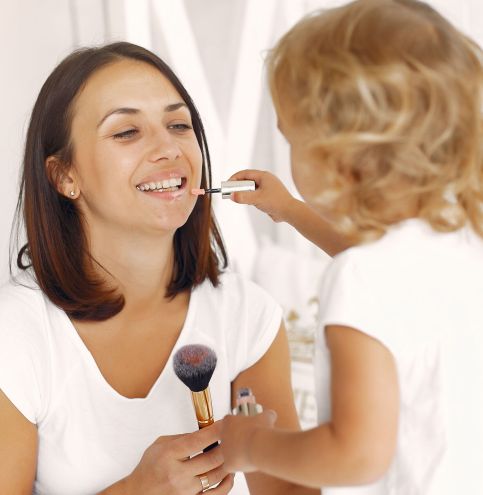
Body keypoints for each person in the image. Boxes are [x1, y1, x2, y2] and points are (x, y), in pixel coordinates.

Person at [0, 42, 318, 495]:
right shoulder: (16, 333)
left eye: (178, 124)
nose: (168, 147)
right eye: (127, 132)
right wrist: (137, 490)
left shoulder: (247, 316)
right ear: (64, 176)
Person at [220, 0, 483, 494]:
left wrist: (253, 444)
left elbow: (356, 455)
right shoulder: (462, 241)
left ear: (337, 152)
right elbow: (388, 280)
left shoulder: (363, 278)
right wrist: (291, 209)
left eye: (291, 139)